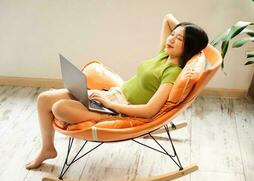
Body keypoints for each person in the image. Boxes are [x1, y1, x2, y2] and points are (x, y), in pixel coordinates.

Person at [25, 14, 209, 169]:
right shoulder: (165, 54)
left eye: (179, 39)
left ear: (189, 47)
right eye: (173, 34)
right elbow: (168, 18)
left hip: (119, 109)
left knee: (59, 108)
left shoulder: (172, 72)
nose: (171, 39)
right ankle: (48, 149)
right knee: (43, 99)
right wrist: (188, 34)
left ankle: (104, 118)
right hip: (112, 94)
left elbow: (150, 111)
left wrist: (109, 105)